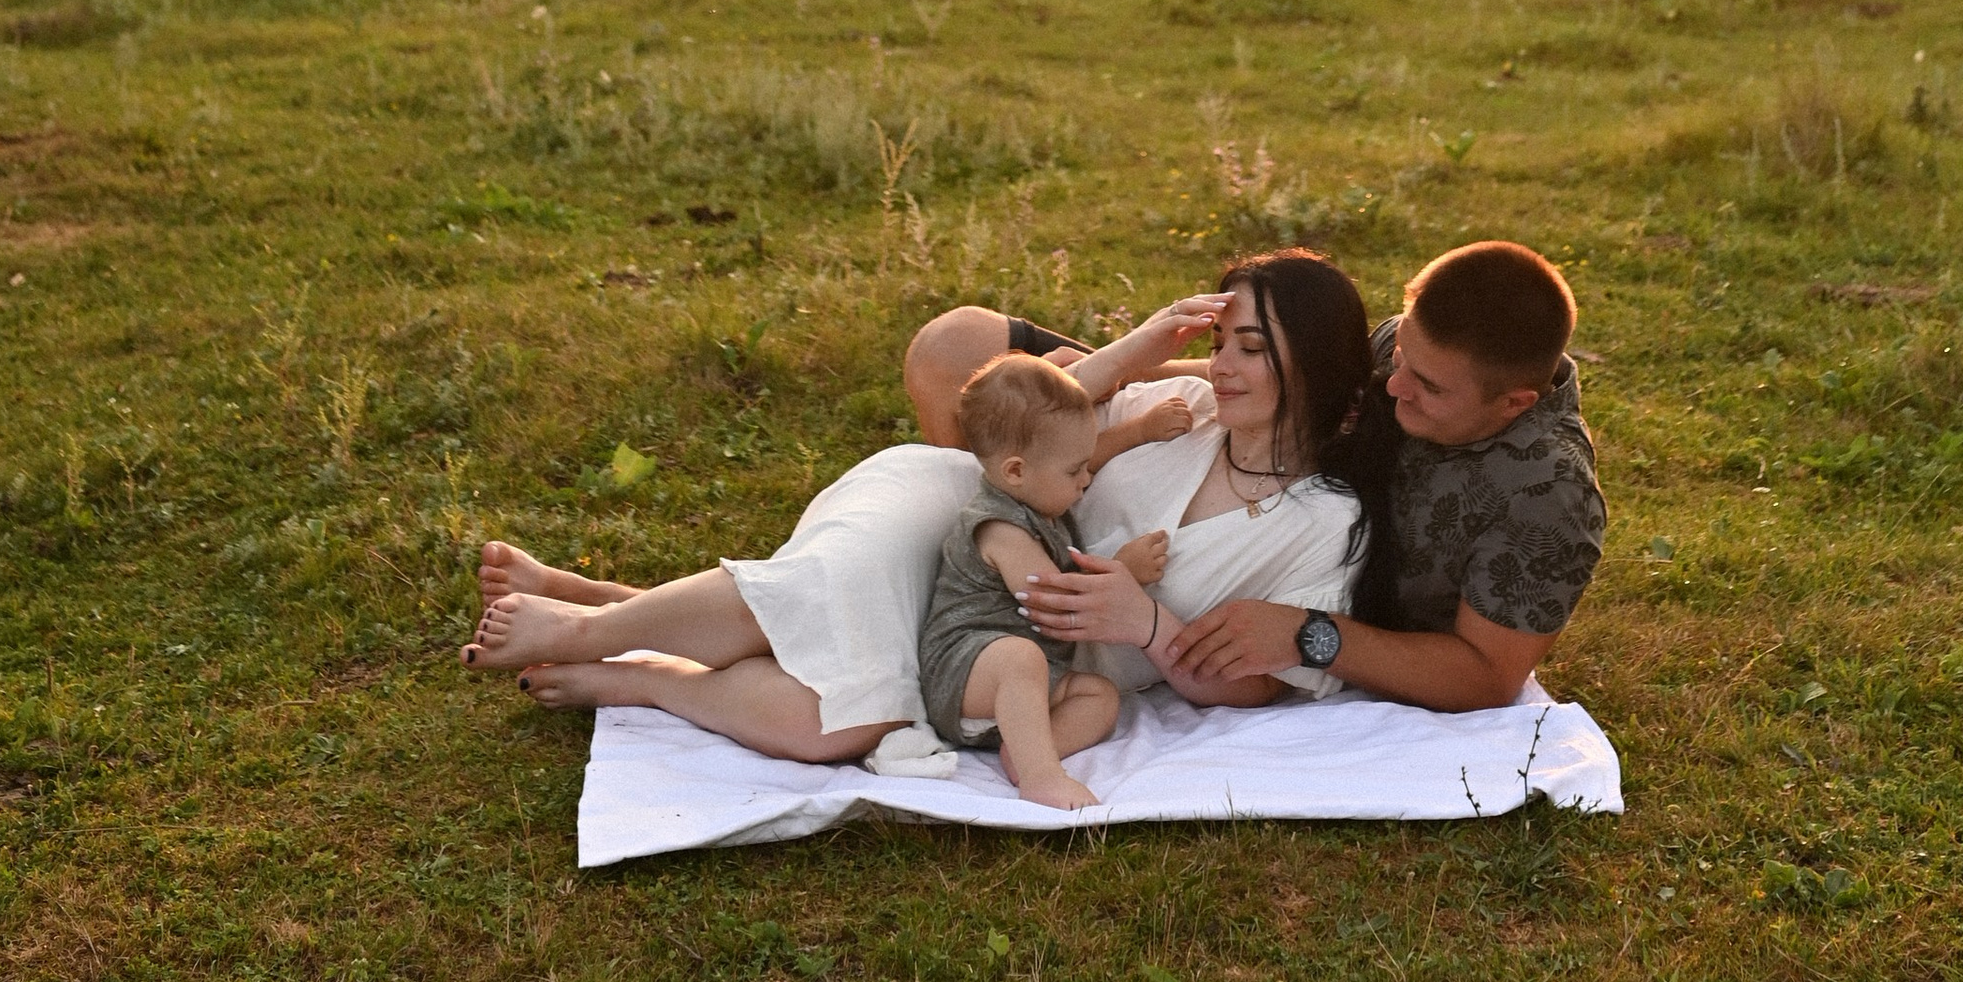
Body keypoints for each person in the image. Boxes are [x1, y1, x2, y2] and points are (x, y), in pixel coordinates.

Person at [461, 262, 1374, 759]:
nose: (1221, 367)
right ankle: (580, 631)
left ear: (1316, 366)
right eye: (1222, 343)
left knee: (829, 726)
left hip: (1016, 645)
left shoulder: (1324, 522)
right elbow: (1021, 419)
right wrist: (1133, 352)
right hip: (965, 517)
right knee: (827, 597)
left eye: (1252, 350)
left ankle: (632, 666)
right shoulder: (1181, 410)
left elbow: (1254, 682)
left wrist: (1143, 624)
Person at [1008, 241, 1603, 714]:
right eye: (1399, 360)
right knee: (964, 346)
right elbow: (1297, 368)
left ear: (1513, 403)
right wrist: (1126, 365)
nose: (1390, 388)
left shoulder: (1549, 495)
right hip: (1250, 442)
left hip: (1305, 571)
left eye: (1428, 388)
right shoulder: (1423, 349)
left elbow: (1490, 677)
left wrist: (1313, 635)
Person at [913, 354, 1168, 811]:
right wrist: (1122, 570)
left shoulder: (1039, 491)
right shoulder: (1000, 527)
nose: (1086, 479)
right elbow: (1054, 601)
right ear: (1015, 471)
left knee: (1100, 695)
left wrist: (1142, 430)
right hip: (966, 672)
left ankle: (1026, 749)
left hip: (1028, 687)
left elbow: (1080, 455)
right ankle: (1041, 777)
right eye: (1076, 472)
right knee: (1020, 657)